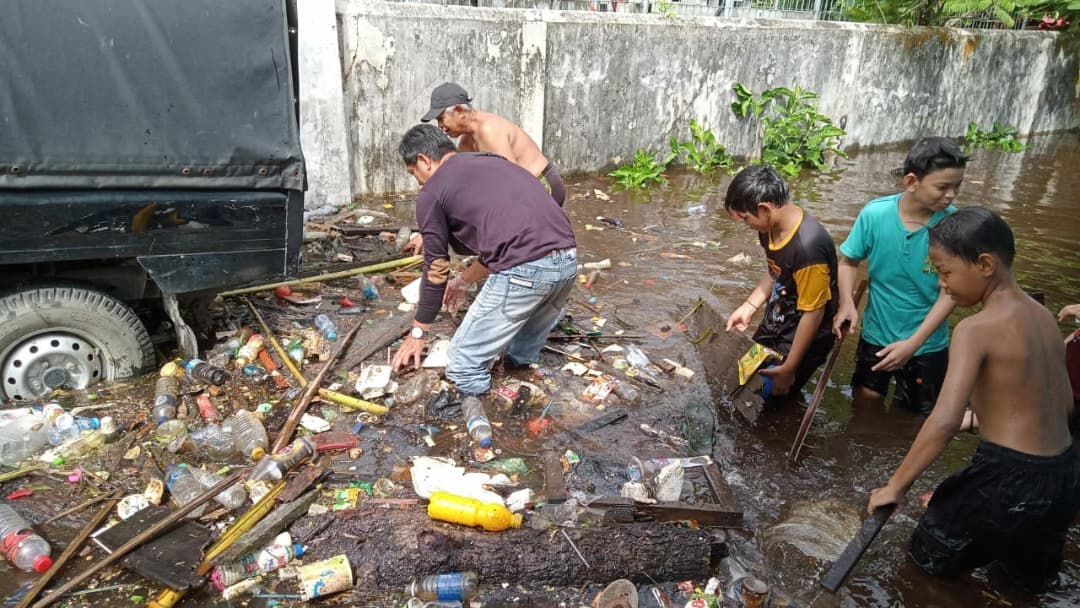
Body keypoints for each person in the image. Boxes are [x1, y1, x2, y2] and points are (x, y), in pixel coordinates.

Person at [868, 208, 1080, 593]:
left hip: (1008, 478)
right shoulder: (1044, 317)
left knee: (925, 563)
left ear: (984, 264)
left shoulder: (975, 329)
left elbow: (944, 421)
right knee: (1022, 584)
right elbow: (1063, 405)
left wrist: (894, 488)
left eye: (946, 273)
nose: (942, 286)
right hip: (1064, 477)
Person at [390, 124, 577, 440]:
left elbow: (435, 269)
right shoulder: (493, 162)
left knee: (462, 364)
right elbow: (503, 241)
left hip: (526, 271)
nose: (417, 180)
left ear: (424, 160)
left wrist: (419, 331)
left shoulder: (432, 192)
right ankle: (522, 381)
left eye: (413, 172)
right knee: (519, 353)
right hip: (568, 262)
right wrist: (463, 282)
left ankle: (495, 425)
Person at [834, 137, 966, 416]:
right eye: (943, 187)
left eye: (957, 186)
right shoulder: (875, 214)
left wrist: (914, 343)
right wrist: (846, 303)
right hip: (876, 335)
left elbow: (951, 291)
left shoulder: (954, 225)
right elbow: (848, 262)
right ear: (911, 182)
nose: (951, 195)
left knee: (913, 417)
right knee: (865, 402)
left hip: (927, 344)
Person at [724, 164, 838, 399]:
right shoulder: (769, 227)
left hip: (804, 335)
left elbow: (813, 314)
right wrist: (749, 306)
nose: (747, 224)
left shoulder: (809, 249)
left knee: (772, 395)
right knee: (744, 379)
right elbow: (774, 270)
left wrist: (790, 367)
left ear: (764, 208)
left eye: (746, 218)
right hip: (778, 317)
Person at [420, 82, 565, 207]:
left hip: (542, 184)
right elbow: (461, 177)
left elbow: (514, 180)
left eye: (441, 119)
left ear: (459, 111)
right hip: (523, 188)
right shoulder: (467, 141)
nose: (440, 126)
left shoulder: (489, 130)